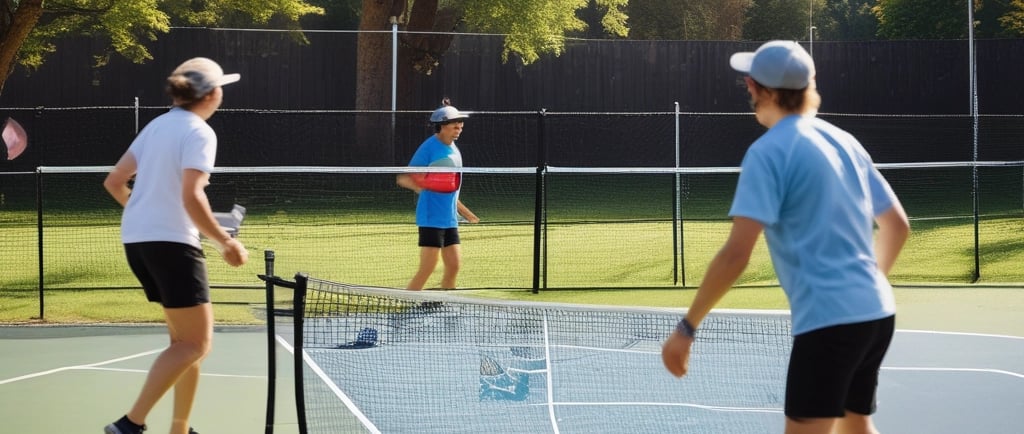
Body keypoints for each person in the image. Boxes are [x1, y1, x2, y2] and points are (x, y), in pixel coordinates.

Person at [661, 41, 910, 434]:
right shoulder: (844, 141)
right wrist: (864, 287)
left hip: (830, 324)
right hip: (876, 314)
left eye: (749, 82)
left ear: (759, 90)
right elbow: (897, 225)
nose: (747, 88)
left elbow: (736, 255)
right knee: (857, 425)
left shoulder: (767, 153)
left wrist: (686, 328)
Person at [102, 57, 249, 434]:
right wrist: (225, 242)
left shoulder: (155, 127)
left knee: (184, 344)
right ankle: (130, 424)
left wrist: (145, 212)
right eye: (221, 89)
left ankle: (179, 428)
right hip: (171, 246)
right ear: (211, 94)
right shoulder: (200, 132)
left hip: (138, 242)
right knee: (197, 343)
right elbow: (191, 195)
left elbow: (114, 182)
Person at [396, 99, 480, 290]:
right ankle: (410, 299)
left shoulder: (454, 149)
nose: (459, 127)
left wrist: (466, 213)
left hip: (449, 219)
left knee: (454, 265)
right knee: (428, 267)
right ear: (441, 126)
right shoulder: (429, 147)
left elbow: (451, 187)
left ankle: (445, 299)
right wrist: (430, 187)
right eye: (455, 124)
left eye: (461, 123)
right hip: (431, 217)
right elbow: (405, 178)